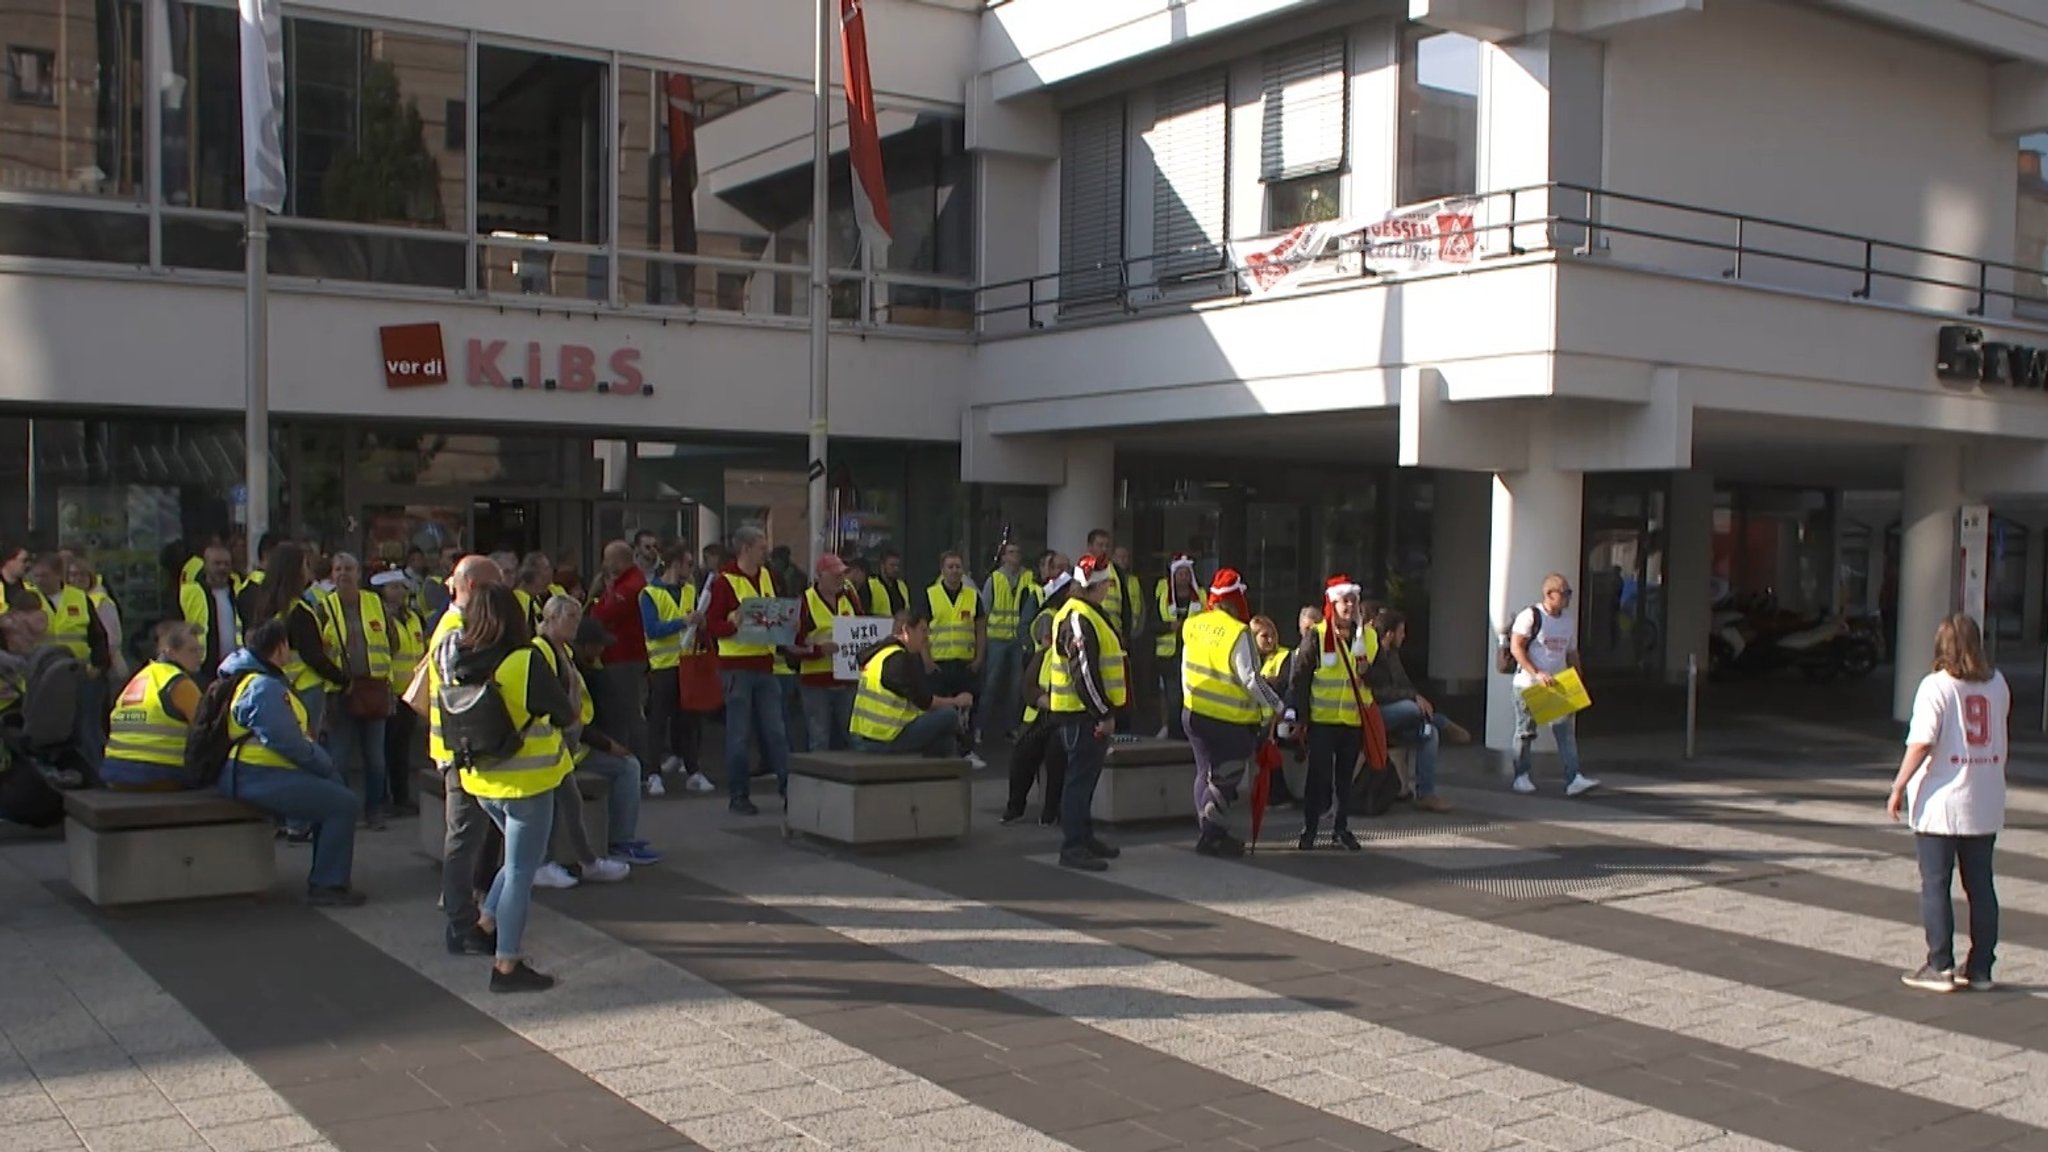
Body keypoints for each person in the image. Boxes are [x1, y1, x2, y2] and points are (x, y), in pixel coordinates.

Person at [438, 584, 571, 993]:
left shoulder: (458, 656)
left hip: (481, 780)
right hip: (527, 783)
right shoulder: (524, 660)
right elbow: (565, 713)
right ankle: (507, 965)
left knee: (513, 862)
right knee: (519, 871)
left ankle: (484, 923)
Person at [1890, 613, 2010, 994]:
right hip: (1985, 797)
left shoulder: (1936, 687)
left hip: (1942, 800)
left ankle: (1939, 963)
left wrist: (1899, 784)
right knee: (1980, 885)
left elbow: (1922, 741)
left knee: (1936, 884)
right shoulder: (1998, 684)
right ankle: (1981, 967)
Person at [217, 619, 365, 906]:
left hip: (254, 773)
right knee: (342, 803)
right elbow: (287, 742)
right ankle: (327, 885)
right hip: (256, 775)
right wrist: (323, 764)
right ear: (280, 648)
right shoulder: (263, 686)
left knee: (336, 792)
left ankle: (329, 877)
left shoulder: (257, 679)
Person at [530, 602, 636, 889]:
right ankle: (547, 863)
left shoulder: (564, 652)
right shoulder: (542, 651)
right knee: (555, 802)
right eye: (571, 617)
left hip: (565, 743)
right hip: (550, 743)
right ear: (552, 617)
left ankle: (587, 862)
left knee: (569, 801)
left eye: (578, 616)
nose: (576, 622)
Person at [1181, 568, 1286, 858]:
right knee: (1226, 778)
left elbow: (1186, 668)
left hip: (1194, 713)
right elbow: (1251, 678)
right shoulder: (1238, 631)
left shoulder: (1193, 624)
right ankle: (1211, 836)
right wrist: (1278, 705)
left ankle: (1208, 830)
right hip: (1228, 720)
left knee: (1204, 772)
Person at [429, 554, 504, 958]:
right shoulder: (455, 630)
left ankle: (470, 914)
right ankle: (460, 925)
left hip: (469, 751)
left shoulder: (466, 626)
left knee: (473, 836)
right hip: (460, 753)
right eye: (495, 588)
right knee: (462, 837)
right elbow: (463, 692)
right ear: (473, 588)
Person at [702, 526, 792, 815]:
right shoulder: (725, 582)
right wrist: (734, 624)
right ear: (745, 549)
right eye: (761, 547)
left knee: (776, 731)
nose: (766, 551)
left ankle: (788, 788)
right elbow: (713, 626)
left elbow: (775, 613)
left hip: (765, 664)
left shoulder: (768, 576)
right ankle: (739, 795)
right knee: (739, 734)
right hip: (736, 667)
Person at [1286, 577, 1378, 851]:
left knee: (1345, 778)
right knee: (1319, 776)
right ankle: (1310, 828)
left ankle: (1341, 828)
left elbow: (1383, 677)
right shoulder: (1316, 634)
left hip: (1352, 720)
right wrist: (1300, 717)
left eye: (1353, 601)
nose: (1349, 606)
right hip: (1322, 721)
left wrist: (1368, 673)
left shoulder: (1369, 637)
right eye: (1344, 601)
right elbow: (1300, 676)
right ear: (1332, 603)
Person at [1048, 556, 1125, 872]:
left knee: (1085, 779)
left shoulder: (1085, 613)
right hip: (1081, 714)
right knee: (1079, 781)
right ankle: (1073, 846)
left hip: (1084, 712)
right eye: (1108, 584)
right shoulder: (1079, 617)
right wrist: (1103, 712)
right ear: (1099, 585)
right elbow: (1084, 673)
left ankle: (1083, 837)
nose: (1109, 589)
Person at [238, 542, 348, 745]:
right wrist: (343, 680)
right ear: (295, 572)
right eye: (305, 566)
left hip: (273, 686)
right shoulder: (298, 612)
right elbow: (314, 657)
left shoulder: (260, 605)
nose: (308, 571)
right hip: (306, 688)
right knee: (307, 745)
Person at [320, 553, 397, 829]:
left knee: (375, 758)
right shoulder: (323, 606)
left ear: (358, 573)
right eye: (338, 569)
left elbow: (393, 640)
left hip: (373, 689)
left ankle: (374, 811)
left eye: (349, 569)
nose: (343, 574)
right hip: (339, 692)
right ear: (331, 574)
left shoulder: (375, 602)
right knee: (338, 758)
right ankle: (342, 812)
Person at [1506, 573, 1600, 796]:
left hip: (1556, 684)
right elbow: (1516, 647)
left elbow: (1571, 653)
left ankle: (1573, 777)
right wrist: (1536, 672)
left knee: (1565, 732)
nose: (1568, 598)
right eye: (1564, 593)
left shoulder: (1567, 622)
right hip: (1528, 684)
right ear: (1549, 594)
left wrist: (1577, 679)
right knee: (1525, 731)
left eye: (1569, 593)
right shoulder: (1530, 616)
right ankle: (1521, 775)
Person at [1369, 609, 1462, 814]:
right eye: (1401, 631)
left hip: (1398, 715)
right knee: (1412, 708)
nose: (1404, 636)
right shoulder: (1371, 652)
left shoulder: (1393, 655)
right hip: (1376, 714)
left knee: (1429, 733)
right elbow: (1373, 691)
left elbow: (1405, 684)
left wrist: (1414, 695)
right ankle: (1442, 721)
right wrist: (1411, 697)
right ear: (1390, 634)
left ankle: (1425, 794)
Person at [101, 622, 206, 792]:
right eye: (192, 650)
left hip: (115, 772)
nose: (200, 656)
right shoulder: (179, 683)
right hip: (158, 774)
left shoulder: (140, 677)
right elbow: (207, 728)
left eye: (200, 649)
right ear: (170, 652)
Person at [640, 543, 711, 795]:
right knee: (658, 722)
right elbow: (652, 629)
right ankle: (652, 774)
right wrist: (683, 622)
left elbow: (696, 625)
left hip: (687, 664)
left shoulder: (691, 590)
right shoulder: (649, 594)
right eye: (688, 563)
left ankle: (692, 770)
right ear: (676, 564)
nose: (691, 569)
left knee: (688, 721)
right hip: (662, 667)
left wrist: (700, 624)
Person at [28, 552, 110, 761]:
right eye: (35, 576)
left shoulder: (79, 598)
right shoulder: (29, 599)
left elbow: (98, 636)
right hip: (42, 677)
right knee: (48, 726)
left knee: (85, 724)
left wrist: (100, 666)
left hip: (80, 673)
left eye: (44, 576)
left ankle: (92, 765)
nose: (38, 581)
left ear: (58, 575)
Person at [587, 541, 651, 791]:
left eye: (607, 558)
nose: (604, 564)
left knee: (628, 712)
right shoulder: (624, 583)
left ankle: (638, 766)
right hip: (620, 656)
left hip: (625, 657)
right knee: (627, 712)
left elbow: (603, 614)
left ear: (619, 560)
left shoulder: (631, 585)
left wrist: (600, 597)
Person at [1001, 593, 1069, 826]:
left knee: (1055, 754)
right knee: (1023, 752)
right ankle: (1014, 807)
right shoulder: (1042, 656)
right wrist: (1043, 700)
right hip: (1040, 716)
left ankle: (1051, 812)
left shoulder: (1074, 657)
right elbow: (1027, 687)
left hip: (1064, 719)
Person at [924, 551, 988, 769]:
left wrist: (979, 658)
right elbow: (921, 631)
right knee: (939, 710)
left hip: (965, 664)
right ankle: (941, 751)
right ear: (942, 570)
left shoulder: (972, 596)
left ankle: (966, 751)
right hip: (938, 665)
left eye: (958, 567)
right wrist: (926, 660)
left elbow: (980, 629)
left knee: (967, 711)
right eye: (950, 567)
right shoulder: (930, 595)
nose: (954, 571)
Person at [794, 554, 859, 752]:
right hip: (816, 679)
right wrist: (818, 650)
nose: (840, 579)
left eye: (842, 575)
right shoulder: (805, 601)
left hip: (846, 679)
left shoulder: (850, 597)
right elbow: (792, 644)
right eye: (835, 575)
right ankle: (818, 782)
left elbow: (862, 628)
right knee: (819, 736)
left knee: (853, 734)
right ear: (820, 576)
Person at [979, 542, 1038, 744]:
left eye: (1018, 552)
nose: (1015, 556)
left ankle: (1010, 728)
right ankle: (981, 727)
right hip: (997, 638)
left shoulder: (1028, 577)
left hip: (1018, 639)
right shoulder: (994, 579)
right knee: (991, 683)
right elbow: (985, 612)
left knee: (1016, 686)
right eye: (1011, 553)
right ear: (1003, 557)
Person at [376, 568, 424, 816]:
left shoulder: (414, 617)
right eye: (393, 587)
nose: (399, 591)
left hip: (411, 694)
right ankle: (385, 798)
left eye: (402, 587)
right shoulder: (381, 618)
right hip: (390, 693)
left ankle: (402, 797)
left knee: (402, 749)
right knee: (386, 748)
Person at [1153, 555, 1202, 740]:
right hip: (1168, 656)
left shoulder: (1201, 595)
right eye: (1180, 573)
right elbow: (1151, 625)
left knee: (1190, 696)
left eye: (1186, 573)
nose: (1183, 577)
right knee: (1171, 696)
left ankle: (1189, 732)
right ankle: (1172, 732)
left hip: (1193, 655)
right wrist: (1168, 627)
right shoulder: (1163, 597)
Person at [181, 545, 243, 685]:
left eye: (226, 564)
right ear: (206, 565)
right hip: (204, 669)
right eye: (217, 563)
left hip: (236, 669)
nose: (222, 568)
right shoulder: (192, 593)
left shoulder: (239, 592)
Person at [866, 550, 912, 618]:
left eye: (897, 566)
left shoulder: (902, 585)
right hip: (879, 625)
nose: (896, 569)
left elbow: (907, 609)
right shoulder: (871, 584)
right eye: (892, 565)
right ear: (882, 565)